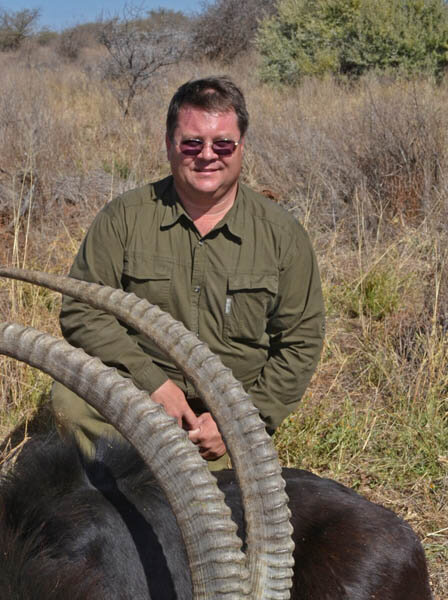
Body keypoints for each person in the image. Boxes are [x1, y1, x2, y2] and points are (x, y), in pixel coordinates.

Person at [53, 76, 325, 468]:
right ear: (169, 145)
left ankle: (183, 469)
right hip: (141, 395)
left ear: (241, 147)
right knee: (69, 400)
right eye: (192, 143)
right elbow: (82, 311)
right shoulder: (124, 218)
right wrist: (154, 385)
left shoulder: (282, 235)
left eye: (223, 144)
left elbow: (300, 343)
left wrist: (239, 424)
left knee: (219, 511)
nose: (207, 155)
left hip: (224, 416)